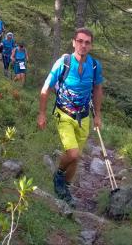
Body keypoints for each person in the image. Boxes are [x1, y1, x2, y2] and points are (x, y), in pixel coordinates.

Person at [37, 28, 103, 206]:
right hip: (64, 113)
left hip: (84, 117)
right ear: (74, 42)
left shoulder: (94, 65)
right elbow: (46, 88)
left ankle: (65, 190)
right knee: (73, 154)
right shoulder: (63, 62)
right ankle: (58, 175)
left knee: (76, 156)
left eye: (87, 42)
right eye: (80, 41)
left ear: (90, 45)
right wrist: (42, 114)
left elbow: (97, 89)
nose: (83, 45)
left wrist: (97, 115)